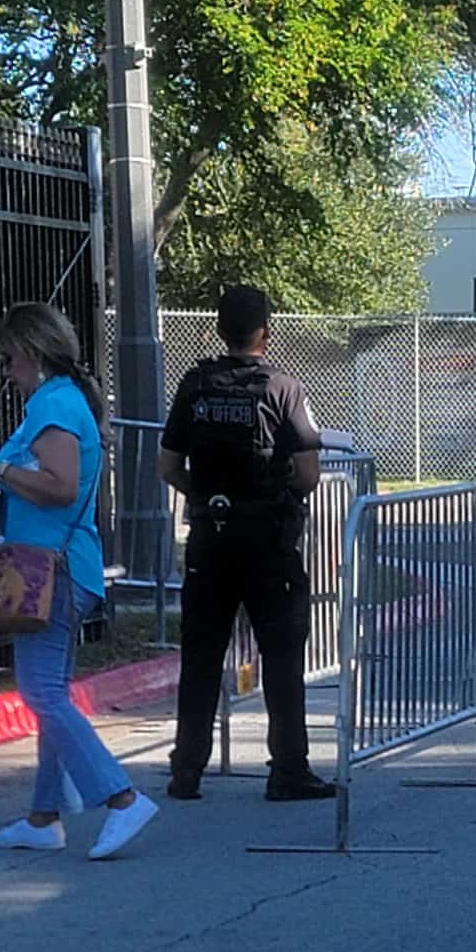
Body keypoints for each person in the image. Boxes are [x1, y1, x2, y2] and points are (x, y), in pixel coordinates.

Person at [0, 303, 157, 861]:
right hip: (61, 565)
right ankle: (43, 817)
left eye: (9, 358)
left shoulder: (53, 405)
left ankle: (120, 798)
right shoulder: (64, 401)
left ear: (32, 352)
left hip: (51, 569)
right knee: (50, 690)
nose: (5, 370)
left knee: (40, 692)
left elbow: (61, 486)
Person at [158, 283, 334, 802]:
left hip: (209, 538)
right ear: (265, 333)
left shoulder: (194, 385)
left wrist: (206, 494)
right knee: (281, 656)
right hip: (267, 541)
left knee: (201, 655)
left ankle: (187, 769)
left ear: (219, 329)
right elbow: (308, 474)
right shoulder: (283, 388)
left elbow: (168, 466)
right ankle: (288, 769)